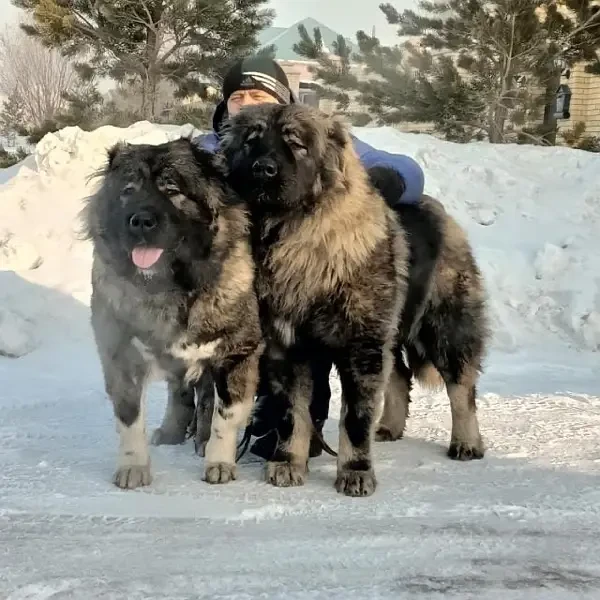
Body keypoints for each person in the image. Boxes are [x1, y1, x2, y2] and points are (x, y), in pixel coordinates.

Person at [193, 55, 425, 460]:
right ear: (225, 105)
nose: (247, 103)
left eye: (258, 93)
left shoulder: (312, 130)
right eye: (238, 96)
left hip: (297, 272)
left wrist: (384, 179)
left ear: (282, 97)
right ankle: (211, 415)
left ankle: (300, 425)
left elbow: (405, 170)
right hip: (241, 281)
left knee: (306, 349)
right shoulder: (212, 147)